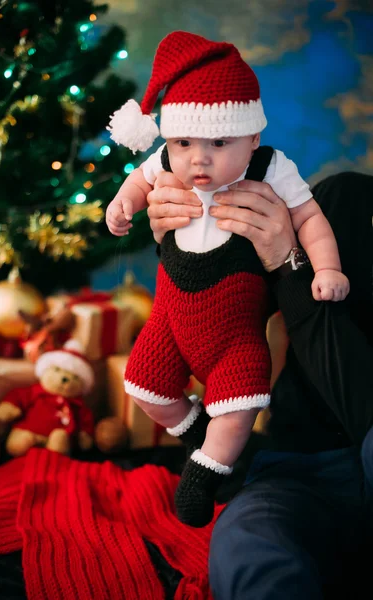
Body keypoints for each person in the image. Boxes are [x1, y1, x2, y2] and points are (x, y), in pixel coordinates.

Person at [106, 30, 349, 528]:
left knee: (238, 408)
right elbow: (138, 180)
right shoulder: (166, 164)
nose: (199, 157)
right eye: (184, 142)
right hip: (170, 319)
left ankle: (205, 470)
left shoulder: (269, 168)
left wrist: (325, 268)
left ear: (253, 138)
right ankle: (197, 432)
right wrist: (122, 204)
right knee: (145, 388)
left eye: (219, 143)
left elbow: (310, 218)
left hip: (235, 332)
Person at [147, 169, 373, 599]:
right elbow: (228, 306)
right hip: (303, 468)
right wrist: (183, 241)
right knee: (248, 544)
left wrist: (290, 265)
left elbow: (364, 415)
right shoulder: (344, 199)